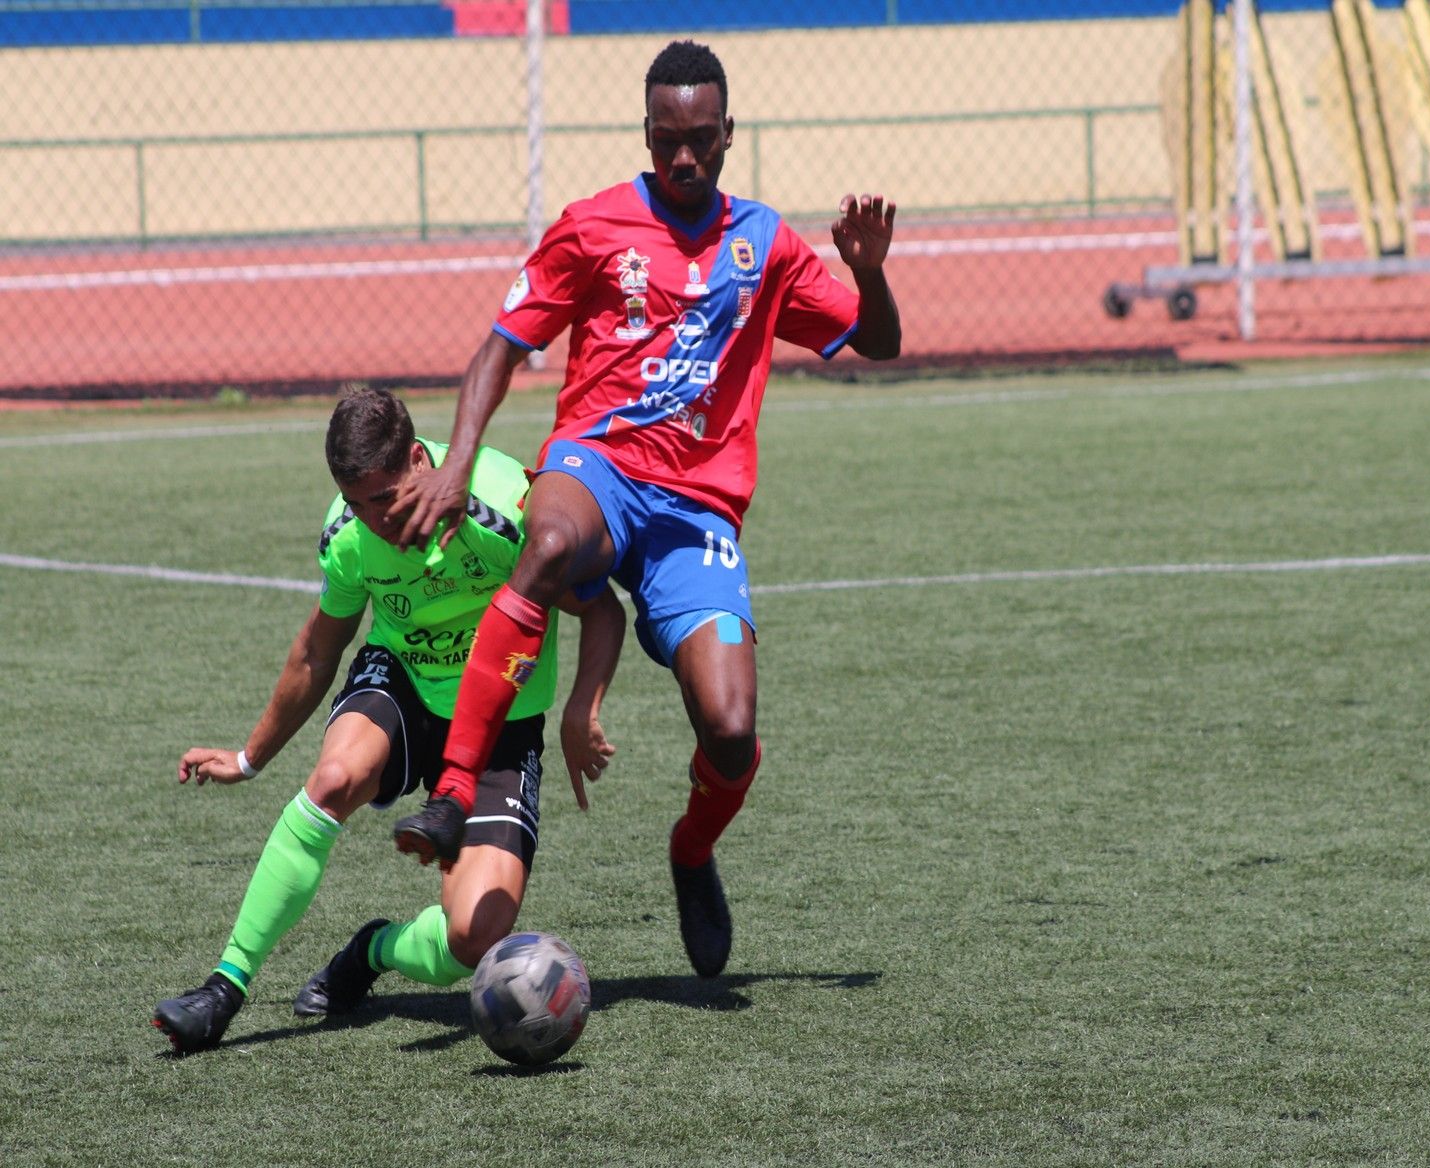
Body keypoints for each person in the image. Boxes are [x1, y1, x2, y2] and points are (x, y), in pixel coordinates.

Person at [384, 39, 901, 981]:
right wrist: (457, 461)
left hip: (697, 510)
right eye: (669, 141)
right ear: (647, 134)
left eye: (702, 140)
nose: (685, 159)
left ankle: (693, 850)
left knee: (733, 728)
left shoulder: (768, 244)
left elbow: (880, 342)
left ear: (728, 134)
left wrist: (867, 272)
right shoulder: (592, 226)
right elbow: (499, 349)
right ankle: (455, 790)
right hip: (600, 465)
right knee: (545, 541)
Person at [151, 385, 624, 1054]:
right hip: (401, 684)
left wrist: (582, 709)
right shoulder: (349, 537)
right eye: (355, 503)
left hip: (501, 722)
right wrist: (248, 757)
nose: (372, 519)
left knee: (474, 938)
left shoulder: (505, 509)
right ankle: (225, 985)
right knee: (336, 776)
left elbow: (602, 608)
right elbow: (319, 648)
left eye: (383, 499)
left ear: (420, 464)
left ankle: (374, 950)